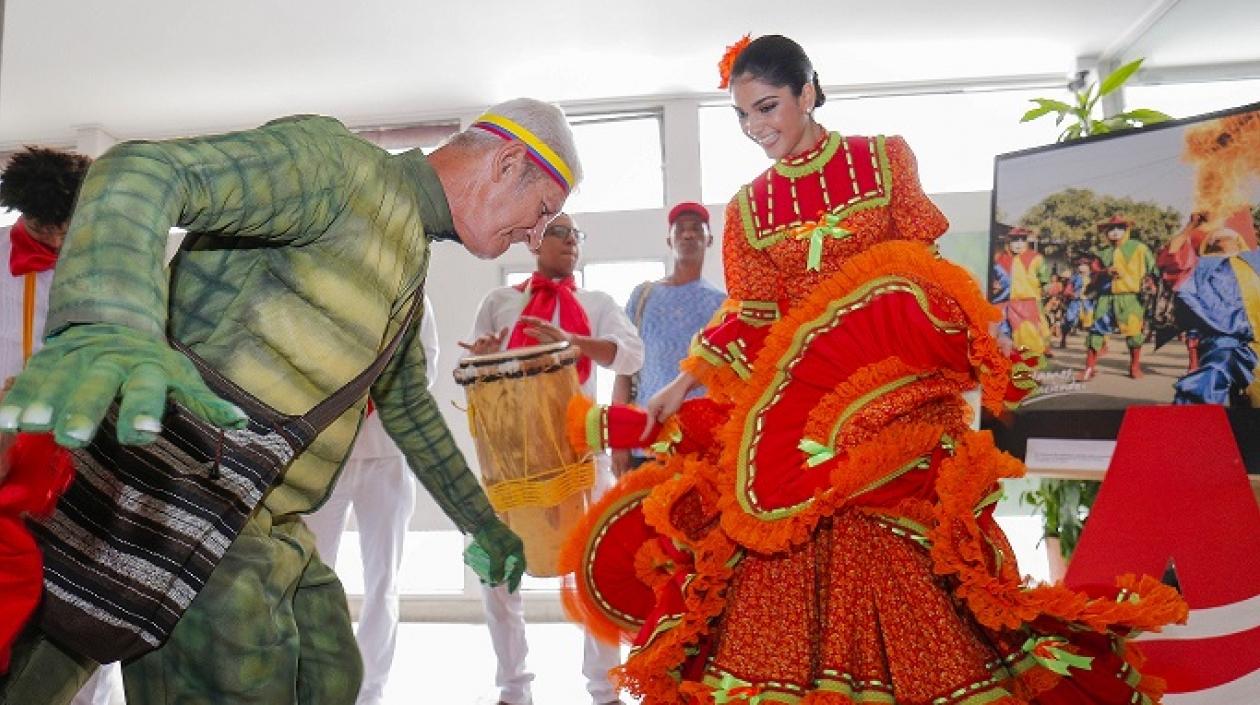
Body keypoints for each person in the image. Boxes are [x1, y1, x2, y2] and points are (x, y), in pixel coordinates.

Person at [564, 35, 1185, 705]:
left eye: (768, 107)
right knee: (779, 558)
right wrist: (679, 383)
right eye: (743, 116)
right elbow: (754, 312)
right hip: (801, 430)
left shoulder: (882, 161)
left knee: (917, 572)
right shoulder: (750, 208)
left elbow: (921, 271)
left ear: (807, 92)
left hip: (900, 406)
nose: (756, 128)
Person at [0, 97, 581, 705]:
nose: (537, 236)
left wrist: (481, 522)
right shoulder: (336, 166)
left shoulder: (407, 255)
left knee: (330, 671)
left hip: (257, 520)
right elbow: (141, 169)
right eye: (544, 212)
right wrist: (112, 317)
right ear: (509, 162)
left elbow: (407, 406)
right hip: (178, 498)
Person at [462, 212, 643, 705]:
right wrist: (481, 354)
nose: (570, 242)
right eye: (560, 233)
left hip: (582, 456)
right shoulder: (499, 302)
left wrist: (575, 344)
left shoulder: (597, 304)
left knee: (595, 569)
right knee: (498, 575)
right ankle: (513, 689)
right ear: (536, 241)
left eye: (576, 235)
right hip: (513, 463)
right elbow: (475, 369)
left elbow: (631, 356)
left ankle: (605, 690)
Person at [0, 147, 126, 705]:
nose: (60, 238)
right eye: (48, 227)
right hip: (6, 457)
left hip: (87, 450)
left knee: (88, 595)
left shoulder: (115, 270)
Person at [304, 294, 439, 705]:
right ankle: (314, 679)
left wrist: (371, 396)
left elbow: (425, 364)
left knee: (384, 580)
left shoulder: (414, 295)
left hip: (388, 455)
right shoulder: (326, 288)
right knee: (310, 573)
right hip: (326, 454)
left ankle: (370, 689)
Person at [610, 201, 726, 474]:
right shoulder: (643, 297)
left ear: (709, 239)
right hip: (645, 439)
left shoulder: (722, 305)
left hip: (701, 445)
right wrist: (618, 441)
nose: (688, 235)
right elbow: (624, 371)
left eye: (696, 229)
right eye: (681, 229)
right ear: (669, 239)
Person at [1172, 227, 1260, 405]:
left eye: (1230, 237)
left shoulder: (1254, 261)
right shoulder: (1201, 266)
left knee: (1249, 392)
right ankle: (1190, 419)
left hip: (1256, 333)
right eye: (1219, 239)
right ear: (1211, 245)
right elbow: (1184, 291)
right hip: (1224, 336)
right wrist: (1217, 320)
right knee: (1215, 372)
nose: (1226, 241)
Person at [1079, 215, 1157, 380]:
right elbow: (1092, 274)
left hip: (1131, 297)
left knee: (1134, 333)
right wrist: (1104, 272)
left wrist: (1151, 282)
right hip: (1106, 297)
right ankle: (1089, 368)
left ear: (1126, 230)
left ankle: (1134, 367)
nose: (1114, 232)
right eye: (1111, 229)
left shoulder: (1139, 248)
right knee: (1096, 331)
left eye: (1119, 228)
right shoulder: (1102, 253)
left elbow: (1153, 269)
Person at [992, 227, 1050, 360]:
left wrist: (1048, 291)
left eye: (1022, 240)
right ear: (1009, 241)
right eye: (1014, 240)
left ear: (1026, 241)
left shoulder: (1036, 258)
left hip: (1027, 305)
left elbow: (1045, 281)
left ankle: (1030, 374)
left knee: (1030, 341)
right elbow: (993, 279)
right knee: (1002, 342)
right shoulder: (1001, 259)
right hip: (1003, 305)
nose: (1018, 243)